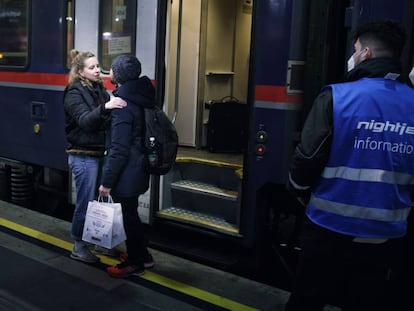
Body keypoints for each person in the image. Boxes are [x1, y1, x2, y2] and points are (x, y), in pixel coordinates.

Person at [285, 20, 414, 311]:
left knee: (307, 299)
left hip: (328, 227)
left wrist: (298, 190)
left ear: (366, 53)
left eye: (355, 49)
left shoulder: (337, 97)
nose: (353, 55)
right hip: (386, 232)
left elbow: (306, 159)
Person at [64, 49, 126, 263]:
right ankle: (79, 247)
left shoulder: (99, 88)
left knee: (102, 201)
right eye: (91, 67)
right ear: (80, 72)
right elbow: (84, 121)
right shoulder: (73, 92)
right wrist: (106, 107)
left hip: (100, 153)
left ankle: (100, 241)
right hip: (82, 156)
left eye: (98, 66)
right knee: (86, 202)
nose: (97, 70)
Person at [98, 54, 155, 277]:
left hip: (126, 171)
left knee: (128, 217)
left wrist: (107, 182)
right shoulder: (142, 96)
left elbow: (118, 149)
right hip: (138, 166)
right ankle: (144, 256)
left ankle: (134, 263)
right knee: (131, 214)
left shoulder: (122, 104)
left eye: (111, 69)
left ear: (118, 75)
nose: (108, 72)